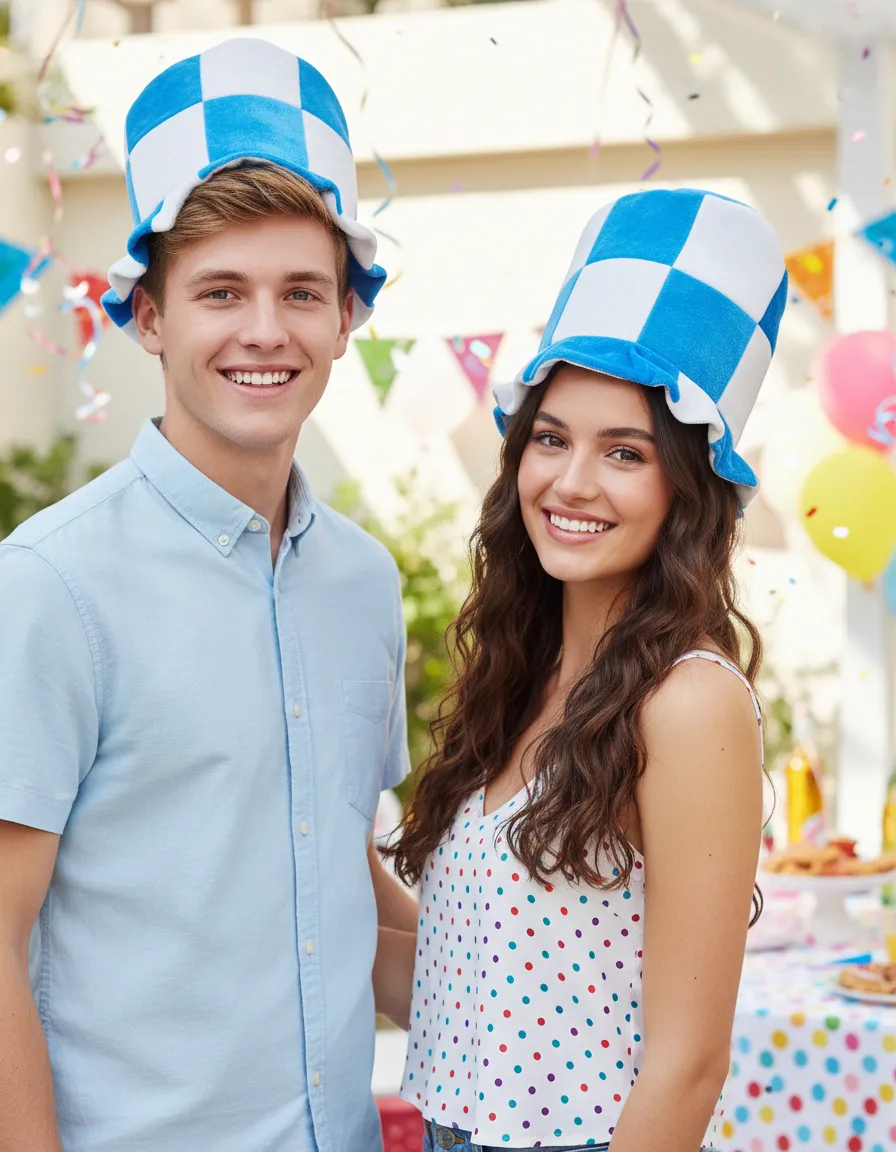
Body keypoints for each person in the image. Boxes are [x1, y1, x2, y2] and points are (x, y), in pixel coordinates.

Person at [0, 37, 417, 1152]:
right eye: (220, 292)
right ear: (147, 317)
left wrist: (558, 992)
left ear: (345, 319)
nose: (265, 332)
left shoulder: (364, 584)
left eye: (301, 293)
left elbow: (344, 873)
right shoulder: (49, 589)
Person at [376, 188, 786, 1152]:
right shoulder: (517, 681)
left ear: (686, 488)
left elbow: (687, 1067)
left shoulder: (687, 702)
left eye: (625, 452)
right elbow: (453, 983)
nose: (571, 481)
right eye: (552, 437)